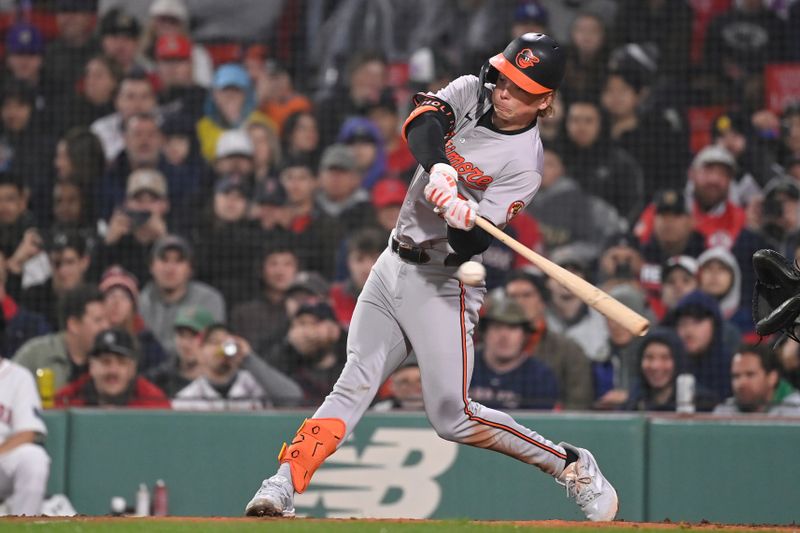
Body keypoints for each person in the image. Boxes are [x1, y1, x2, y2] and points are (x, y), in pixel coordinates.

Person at [245, 33, 618, 521]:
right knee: (353, 382)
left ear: (544, 100)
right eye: (504, 78)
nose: (505, 92)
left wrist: (462, 220)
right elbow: (422, 121)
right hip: (391, 264)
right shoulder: (472, 89)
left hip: (446, 282)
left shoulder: (525, 163)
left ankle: (572, 466)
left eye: (521, 88)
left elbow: (474, 247)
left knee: (453, 417)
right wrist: (441, 169)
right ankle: (284, 483)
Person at [505, 269, 593, 410]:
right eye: (512, 297)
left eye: (527, 295)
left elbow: (579, 405)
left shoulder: (568, 350)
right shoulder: (490, 348)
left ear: (542, 302)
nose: (519, 302)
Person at [139, 234, 225, 355]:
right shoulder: (140, 301)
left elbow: (214, 346)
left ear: (190, 268)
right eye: (164, 259)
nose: (170, 268)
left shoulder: (209, 299)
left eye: (179, 261)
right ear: (151, 266)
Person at [470, 292, 559, 410]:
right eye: (497, 327)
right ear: (485, 333)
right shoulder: (463, 367)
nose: (504, 336)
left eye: (512, 328)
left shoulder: (540, 376)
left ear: (525, 336)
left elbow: (541, 424)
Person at [13, 284, 110, 391]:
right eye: (98, 320)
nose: (106, 326)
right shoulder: (35, 355)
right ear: (74, 325)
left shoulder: (113, 357)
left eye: (107, 320)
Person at [55, 327, 170, 408]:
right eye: (105, 362)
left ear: (132, 369)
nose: (113, 370)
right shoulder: (68, 400)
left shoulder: (153, 403)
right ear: (91, 366)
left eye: (121, 363)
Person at [0, 351, 50, 516]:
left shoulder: (18, 376)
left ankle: (23, 525)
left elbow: (27, 432)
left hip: (2, 457)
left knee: (34, 457)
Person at [713, 344, 800, 416]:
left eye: (750, 374)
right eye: (736, 376)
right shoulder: (724, 412)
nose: (741, 383)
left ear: (772, 377)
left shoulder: (795, 410)